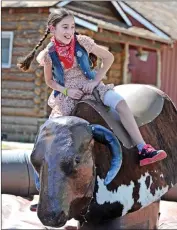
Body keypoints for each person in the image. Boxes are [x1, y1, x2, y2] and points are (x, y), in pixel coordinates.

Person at [18, 9, 167, 213]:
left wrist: (96, 80)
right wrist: (67, 90)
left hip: (92, 86)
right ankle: (41, 190)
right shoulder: (49, 55)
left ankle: (143, 148)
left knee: (121, 104)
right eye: (65, 27)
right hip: (68, 94)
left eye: (72, 26)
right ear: (52, 29)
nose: (70, 31)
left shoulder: (84, 42)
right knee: (49, 135)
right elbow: (49, 81)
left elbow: (109, 58)